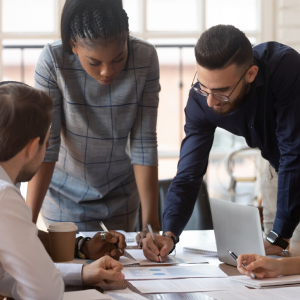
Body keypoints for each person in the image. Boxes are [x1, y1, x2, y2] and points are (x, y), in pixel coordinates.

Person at [142, 24, 300, 262]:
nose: (210, 101)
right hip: (278, 169)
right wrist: (170, 233)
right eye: (203, 86)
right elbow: (188, 174)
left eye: (222, 91)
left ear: (251, 74)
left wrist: (280, 236)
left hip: (294, 158)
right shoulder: (202, 98)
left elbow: (294, 153)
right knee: (272, 266)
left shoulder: (285, 68)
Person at [27, 0, 160, 243]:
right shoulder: (53, 60)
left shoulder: (145, 57)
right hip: (64, 196)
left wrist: (151, 229)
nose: (107, 71)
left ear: (127, 37)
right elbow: (47, 146)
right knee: (73, 268)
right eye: (95, 62)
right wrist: (26, 225)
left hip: (121, 193)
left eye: (119, 58)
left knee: (121, 270)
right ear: (73, 45)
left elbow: (144, 143)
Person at [0, 82, 125, 300]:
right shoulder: (4, 197)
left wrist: (82, 272)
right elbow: (44, 292)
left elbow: (5, 275)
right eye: (46, 142)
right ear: (32, 147)